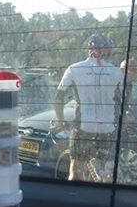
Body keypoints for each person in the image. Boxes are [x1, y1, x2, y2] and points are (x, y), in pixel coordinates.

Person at [53, 33, 123, 181]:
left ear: (89, 50)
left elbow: (58, 98)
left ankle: (75, 192)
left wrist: (61, 120)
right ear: (107, 51)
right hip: (107, 129)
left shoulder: (74, 69)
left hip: (83, 128)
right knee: (108, 173)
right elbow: (122, 99)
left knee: (75, 171)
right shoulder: (116, 72)